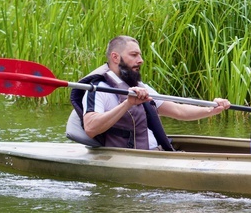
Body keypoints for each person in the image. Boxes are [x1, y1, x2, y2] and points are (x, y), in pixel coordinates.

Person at [66, 35, 230, 150]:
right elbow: (91, 127)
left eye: (140, 55)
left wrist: (212, 110)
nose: (141, 60)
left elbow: (179, 111)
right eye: (134, 55)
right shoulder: (98, 88)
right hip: (131, 160)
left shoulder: (140, 86)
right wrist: (127, 103)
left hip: (156, 154)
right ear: (115, 57)